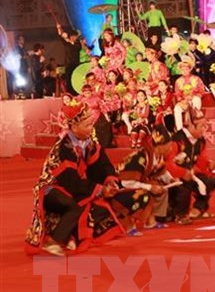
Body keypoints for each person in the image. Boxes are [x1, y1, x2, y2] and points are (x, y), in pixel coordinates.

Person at [25, 102, 124, 256]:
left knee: (98, 205)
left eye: (91, 124)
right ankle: (54, 241)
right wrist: (99, 189)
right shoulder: (64, 147)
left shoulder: (89, 143)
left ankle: (72, 236)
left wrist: (110, 181)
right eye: (87, 125)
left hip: (72, 185)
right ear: (74, 127)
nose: (91, 128)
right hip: (51, 187)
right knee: (76, 206)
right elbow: (70, 181)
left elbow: (103, 164)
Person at [165, 107, 215, 224]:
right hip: (172, 176)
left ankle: (198, 209)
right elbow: (168, 164)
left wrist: (208, 163)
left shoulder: (200, 141)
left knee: (210, 180)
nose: (204, 129)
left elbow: (200, 160)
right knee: (184, 185)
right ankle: (180, 215)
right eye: (202, 126)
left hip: (190, 173)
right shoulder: (177, 140)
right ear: (191, 126)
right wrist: (182, 173)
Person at [115, 125, 173, 231]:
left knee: (160, 187)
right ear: (161, 146)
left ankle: (151, 220)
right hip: (121, 187)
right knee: (145, 192)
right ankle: (129, 224)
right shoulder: (140, 157)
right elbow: (126, 182)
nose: (171, 148)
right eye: (169, 146)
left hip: (138, 183)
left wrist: (171, 180)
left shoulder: (157, 156)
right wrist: (149, 187)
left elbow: (161, 173)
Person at [173, 56, 206, 130]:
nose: (184, 71)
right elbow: (177, 94)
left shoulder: (196, 78)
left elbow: (202, 91)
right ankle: (180, 129)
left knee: (196, 99)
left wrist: (193, 96)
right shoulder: (178, 81)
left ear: (190, 69)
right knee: (177, 109)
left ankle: (195, 115)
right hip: (184, 101)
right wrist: (182, 99)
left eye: (186, 69)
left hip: (194, 100)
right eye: (182, 69)